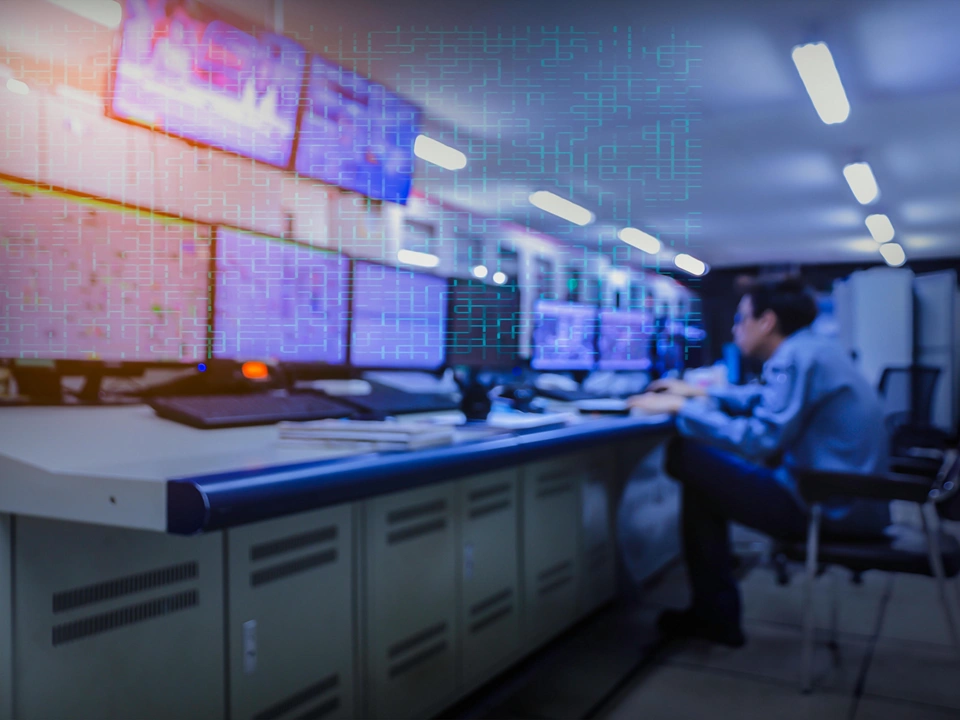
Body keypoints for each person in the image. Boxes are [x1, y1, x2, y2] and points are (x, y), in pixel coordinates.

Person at [627, 277, 890, 647]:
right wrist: (703, 393)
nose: (736, 329)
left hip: (825, 507)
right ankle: (714, 614)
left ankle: (715, 613)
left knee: (685, 455)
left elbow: (759, 440)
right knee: (705, 488)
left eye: (741, 319)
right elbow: (766, 400)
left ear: (766, 322)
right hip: (852, 500)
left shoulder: (796, 357)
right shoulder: (813, 349)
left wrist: (683, 406)